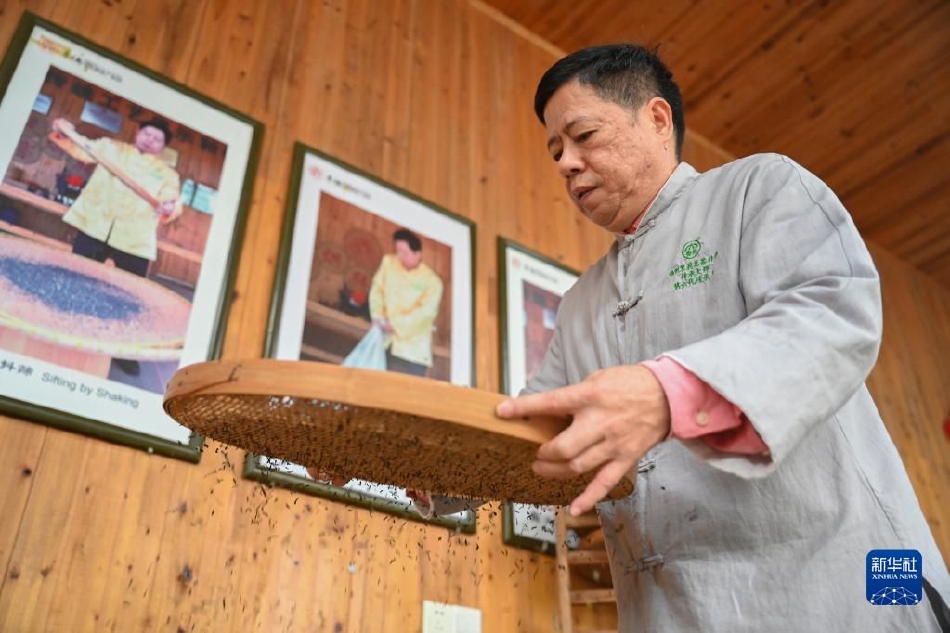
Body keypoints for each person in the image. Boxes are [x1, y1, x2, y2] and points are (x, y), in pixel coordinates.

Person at [423, 44, 950, 630]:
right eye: (555, 151)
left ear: (656, 118)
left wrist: (666, 394)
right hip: (672, 612)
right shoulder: (580, 305)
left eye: (584, 135)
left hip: (846, 584)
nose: (566, 163)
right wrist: (429, 477)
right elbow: (537, 440)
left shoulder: (758, 187)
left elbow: (832, 311)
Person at [50, 117, 183, 375]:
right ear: (138, 132)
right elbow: (81, 147)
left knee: (131, 298)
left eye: (157, 139)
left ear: (163, 146)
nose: (150, 140)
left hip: (134, 238)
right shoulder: (110, 148)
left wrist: (170, 207)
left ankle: (124, 350)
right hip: (94, 224)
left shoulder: (168, 174)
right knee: (76, 281)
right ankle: (65, 330)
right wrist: (63, 131)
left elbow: (173, 203)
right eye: (147, 133)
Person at [367, 228, 444, 377]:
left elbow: (426, 314)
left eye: (405, 253)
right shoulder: (388, 263)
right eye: (398, 251)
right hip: (385, 342)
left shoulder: (433, 282)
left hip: (413, 352)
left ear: (418, 254)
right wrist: (377, 316)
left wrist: (394, 324)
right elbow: (377, 290)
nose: (400, 257)